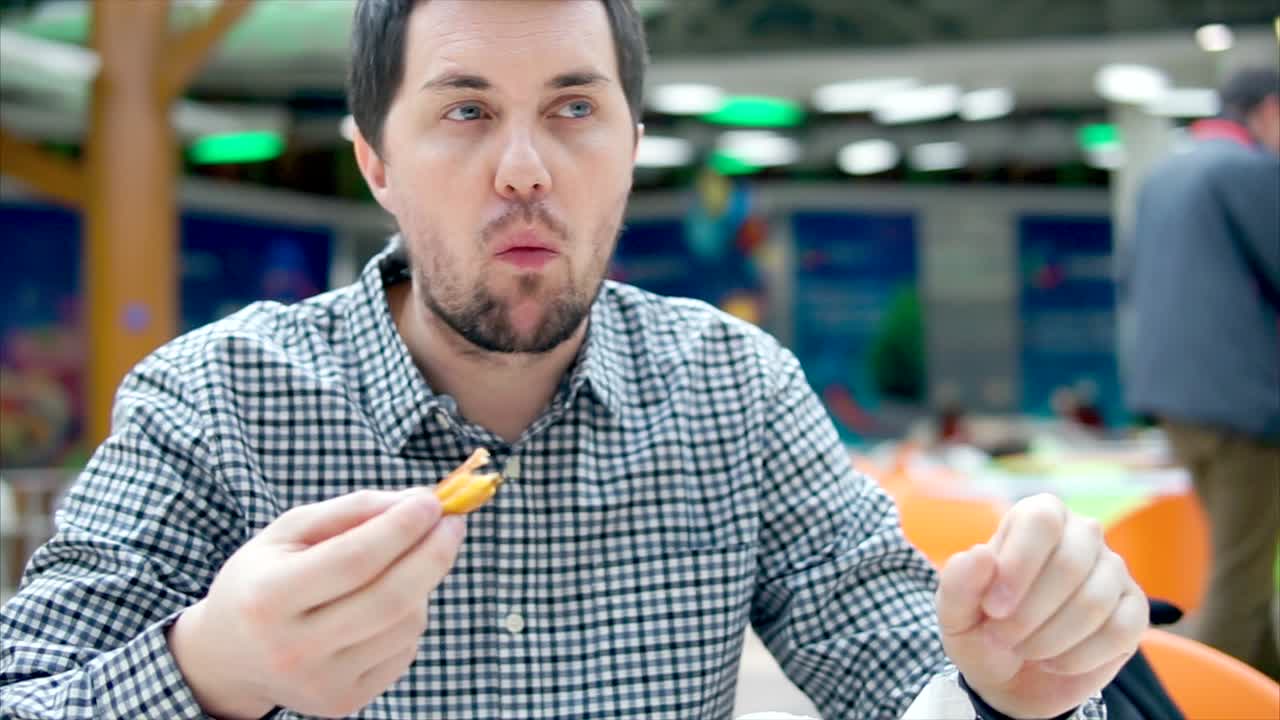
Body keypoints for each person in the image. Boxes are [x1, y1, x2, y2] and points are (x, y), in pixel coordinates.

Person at [1, 2, 1147, 718]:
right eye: (462, 112)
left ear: (631, 148)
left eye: (571, 109)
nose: (523, 169)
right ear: (374, 163)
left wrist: (1014, 691)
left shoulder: (733, 393)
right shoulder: (213, 403)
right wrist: (214, 667)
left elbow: (902, 671)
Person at [1122, 66, 1280, 679]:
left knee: (1242, 563)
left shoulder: (1165, 174)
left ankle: (1262, 690)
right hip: (1247, 405)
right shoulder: (1250, 172)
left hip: (1179, 402)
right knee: (1239, 583)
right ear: (1267, 110)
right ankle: (1202, 700)